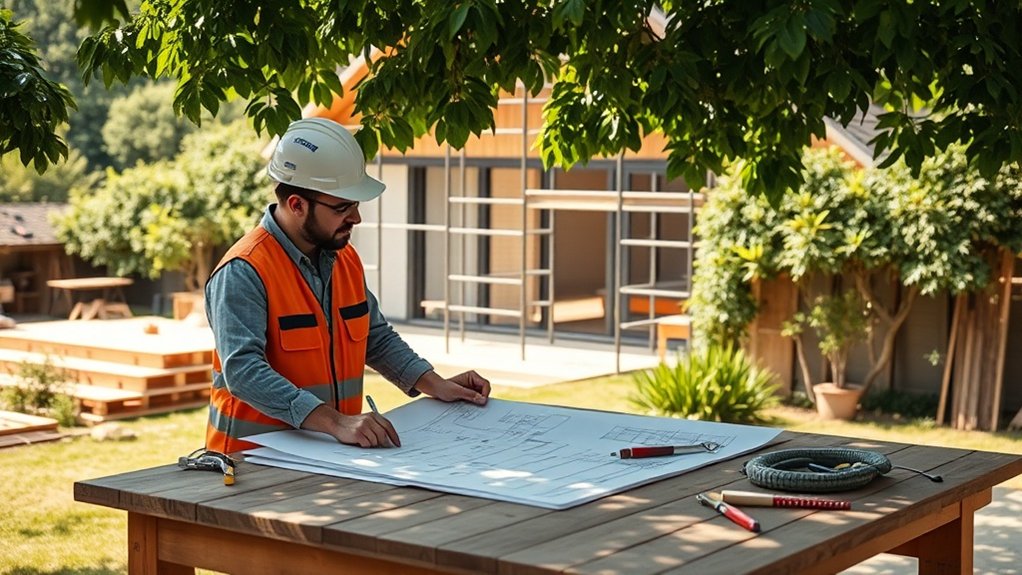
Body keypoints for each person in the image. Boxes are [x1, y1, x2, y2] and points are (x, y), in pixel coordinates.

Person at [204, 117, 490, 454]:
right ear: (297, 205)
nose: (356, 218)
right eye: (343, 207)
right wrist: (336, 422)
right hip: (248, 464)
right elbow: (244, 372)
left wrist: (433, 383)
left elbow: (374, 337)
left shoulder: (345, 259)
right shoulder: (244, 270)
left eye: (355, 205)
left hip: (328, 455)